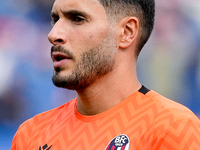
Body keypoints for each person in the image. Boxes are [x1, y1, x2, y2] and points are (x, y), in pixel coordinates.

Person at [11, 0, 200, 149]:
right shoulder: (30, 133)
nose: (53, 34)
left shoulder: (173, 127)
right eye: (55, 19)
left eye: (77, 18)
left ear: (126, 32)